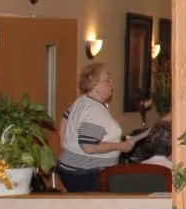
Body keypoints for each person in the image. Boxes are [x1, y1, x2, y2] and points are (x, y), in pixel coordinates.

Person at [58, 62, 135, 192]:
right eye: (107, 80)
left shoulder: (82, 101)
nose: (111, 82)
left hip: (70, 168)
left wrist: (65, 143)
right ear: (95, 87)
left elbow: (65, 119)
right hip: (84, 174)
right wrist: (120, 146)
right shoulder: (94, 110)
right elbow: (88, 147)